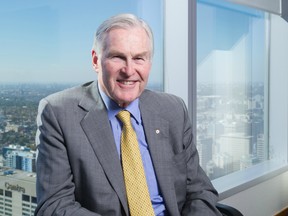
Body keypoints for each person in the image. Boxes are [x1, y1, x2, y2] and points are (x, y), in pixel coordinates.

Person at [35, 13, 221, 216]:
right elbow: (54, 206)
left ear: (149, 63)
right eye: (118, 57)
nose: (129, 70)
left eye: (139, 58)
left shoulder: (173, 109)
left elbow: (200, 190)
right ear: (96, 60)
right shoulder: (59, 113)